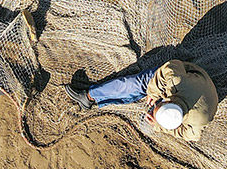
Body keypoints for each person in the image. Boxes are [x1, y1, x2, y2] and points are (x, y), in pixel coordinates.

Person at [64, 59, 218, 142]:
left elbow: (191, 136)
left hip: (202, 91)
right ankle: (90, 96)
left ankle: (93, 98)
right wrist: (153, 92)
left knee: (138, 100)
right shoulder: (178, 81)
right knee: (137, 84)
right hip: (192, 73)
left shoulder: (197, 124)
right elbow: (173, 65)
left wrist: (159, 126)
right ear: (166, 101)